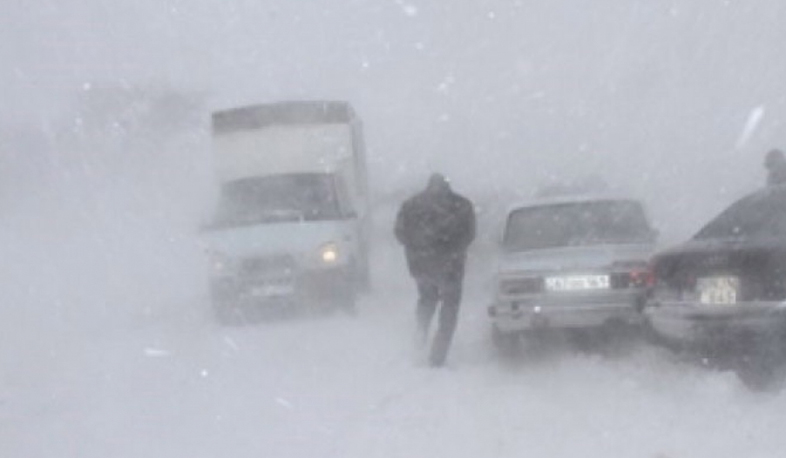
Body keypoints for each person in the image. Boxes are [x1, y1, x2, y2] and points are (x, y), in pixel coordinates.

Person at [394, 174, 476, 367]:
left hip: (421, 265)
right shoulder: (462, 206)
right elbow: (469, 235)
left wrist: (417, 248)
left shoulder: (411, 205)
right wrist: (453, 249)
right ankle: (438, 354)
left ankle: (420, 334)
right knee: (450, 308)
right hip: (451, 267)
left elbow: (399, 233)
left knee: (426, 299)